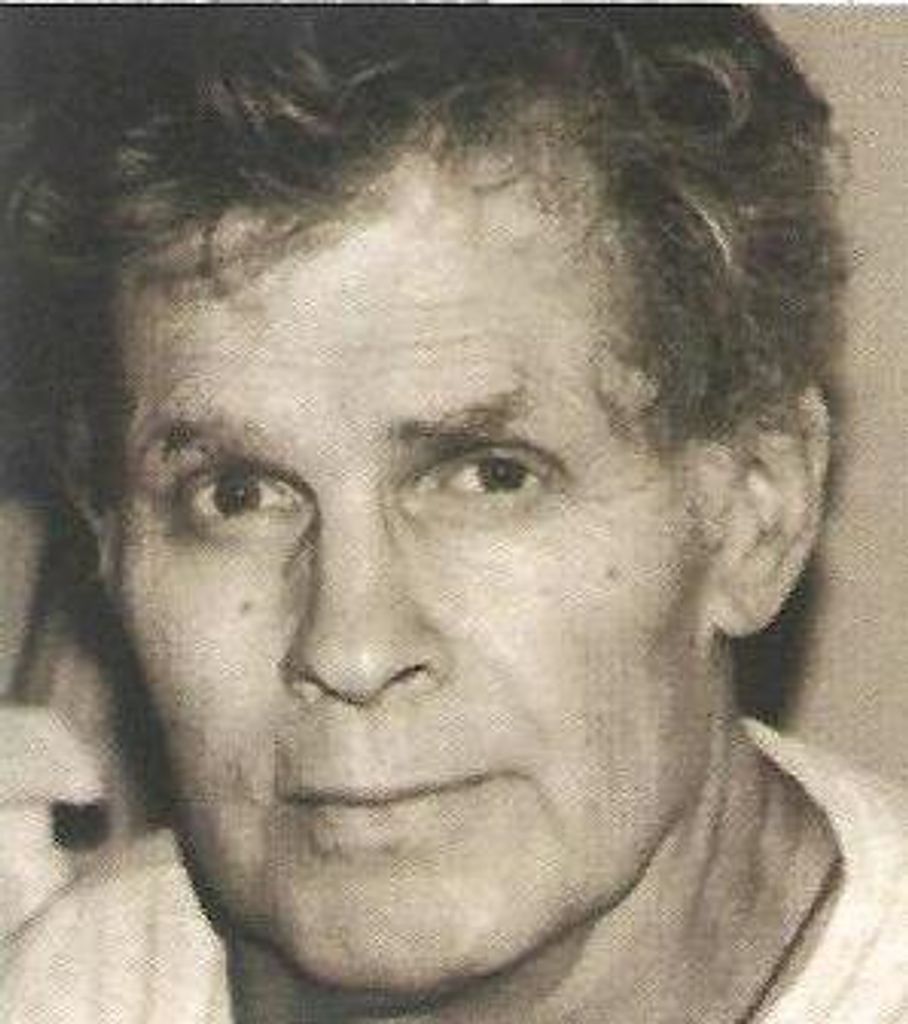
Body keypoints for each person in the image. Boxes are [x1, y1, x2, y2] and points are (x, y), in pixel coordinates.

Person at [3, 7, 908, 1022]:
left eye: (489, 477)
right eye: (237, 495)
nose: (349, 649)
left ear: (752, 514)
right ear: (108, 537)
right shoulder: (75, 985)